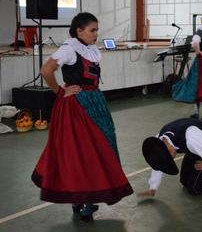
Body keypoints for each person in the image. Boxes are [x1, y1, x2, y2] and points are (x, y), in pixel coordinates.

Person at [31, 12, 133, 222]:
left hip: (95, 102)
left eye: (97, 30)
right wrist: (60, 91)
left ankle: (84, 198)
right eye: (92, 30)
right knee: (81, 152)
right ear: (79, 30)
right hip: (76, 106)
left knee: (98, 149)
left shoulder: (90, 49)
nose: (96, 34)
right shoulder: (69, 49)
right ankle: (85, 200)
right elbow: (46, 70)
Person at [138, 118, 202, 196]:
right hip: (194, 149)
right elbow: (159, 163)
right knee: (185, 182)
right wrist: (153, 187)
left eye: (171, 160)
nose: (171, 161)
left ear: (171, 151)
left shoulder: (190, 136)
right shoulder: (160, 141)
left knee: (195, 189)